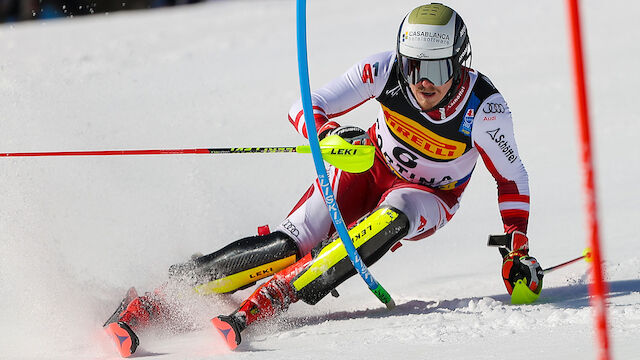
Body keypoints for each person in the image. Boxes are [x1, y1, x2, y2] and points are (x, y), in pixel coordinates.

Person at [103, 3, 544, 356]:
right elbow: (304, 105)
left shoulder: (485, 109)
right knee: (290, 243)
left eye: (437, 69)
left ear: (460, 63)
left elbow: (513, 179)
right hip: (368, 168)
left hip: (431, 195)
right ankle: (157, 300)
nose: (423, 83)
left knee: (397, 214)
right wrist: (330, 133)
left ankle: (273, 298)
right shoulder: (385, 70)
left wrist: (516, 248)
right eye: (414, 67)